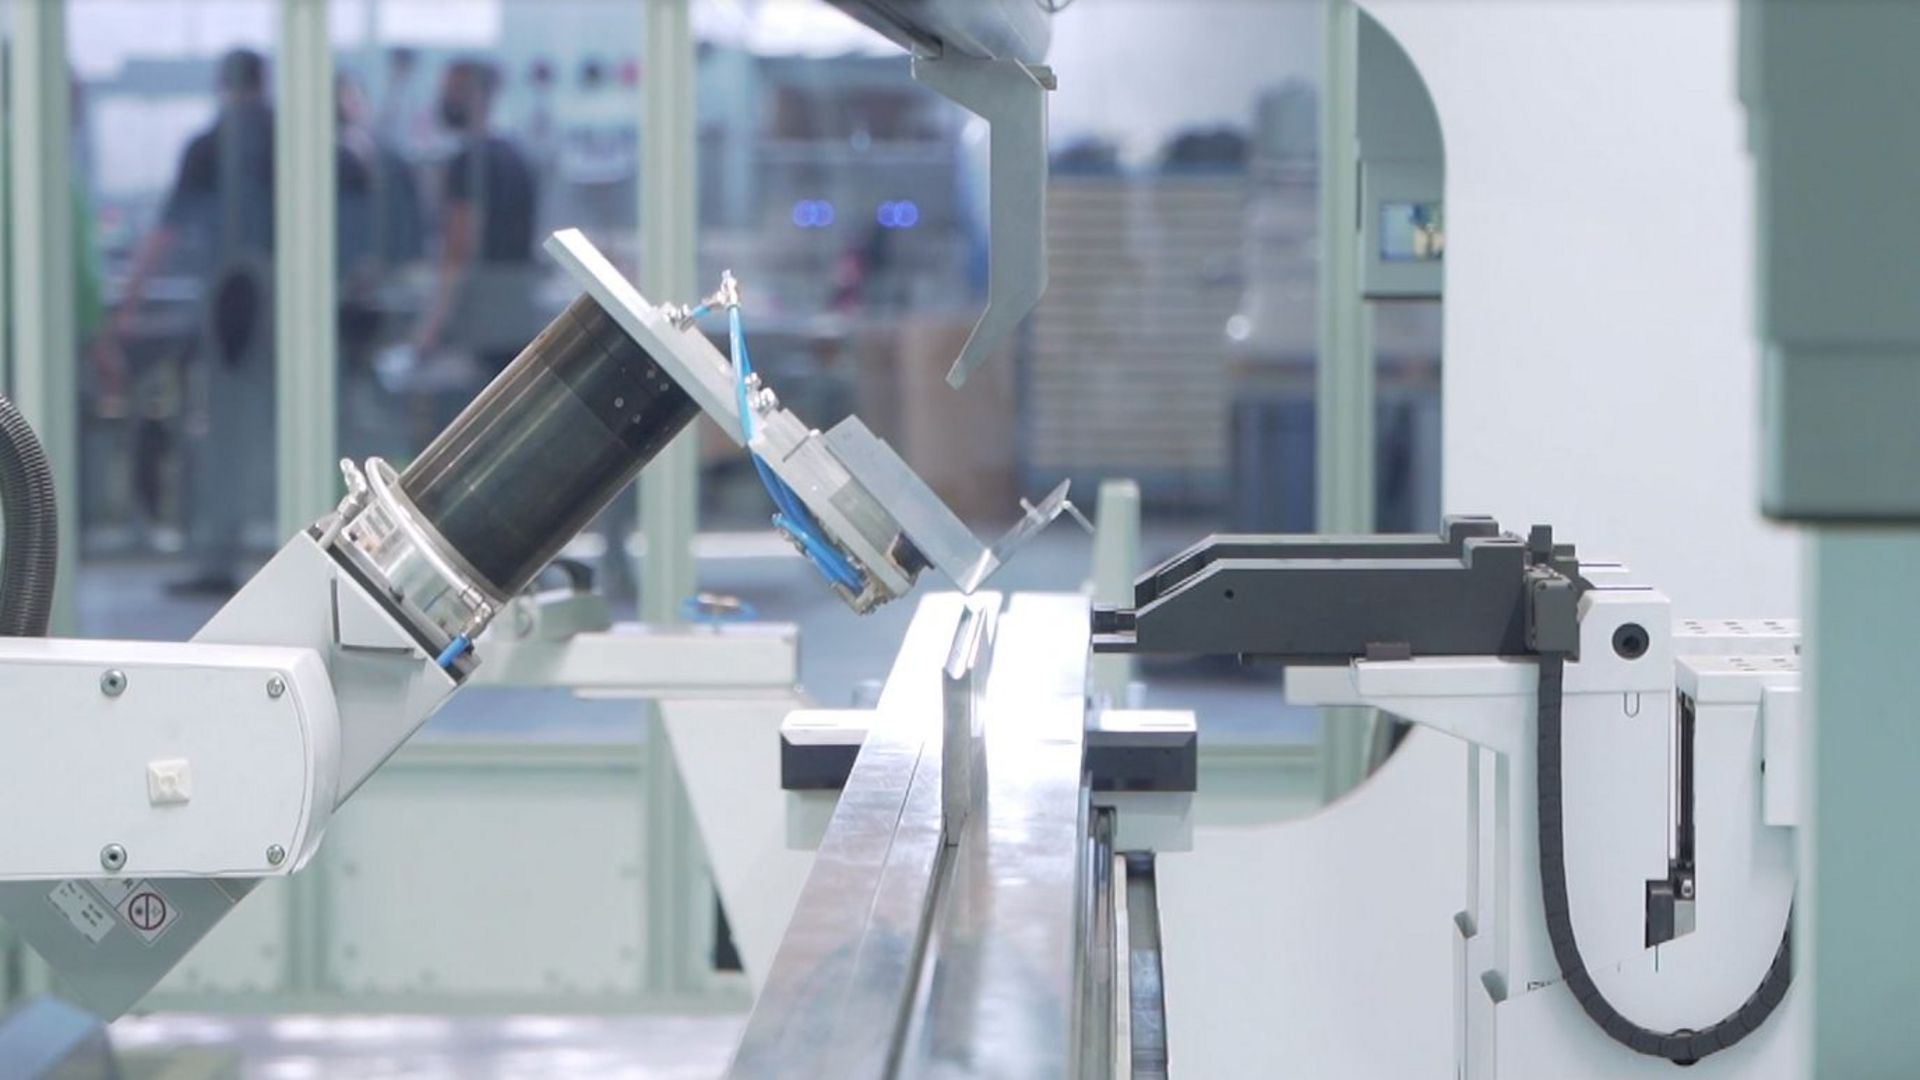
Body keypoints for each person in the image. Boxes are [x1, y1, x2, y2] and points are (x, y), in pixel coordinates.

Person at [106, 48, 276, 596]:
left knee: (224, 434)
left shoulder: (210, 147)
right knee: (290, 426)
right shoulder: (294, 140)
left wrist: (128, 307)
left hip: (234, 306)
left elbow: (165, 234)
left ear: (223, 84)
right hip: (287, 310)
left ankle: (219, 559)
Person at [410, 58, 539, 381]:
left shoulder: (469, 164)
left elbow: (459, 250)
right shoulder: (516, 157)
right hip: (518, 317)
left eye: (455, 91)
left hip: (481, 325)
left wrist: (429, 331)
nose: (446, 100)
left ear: (480, 96)